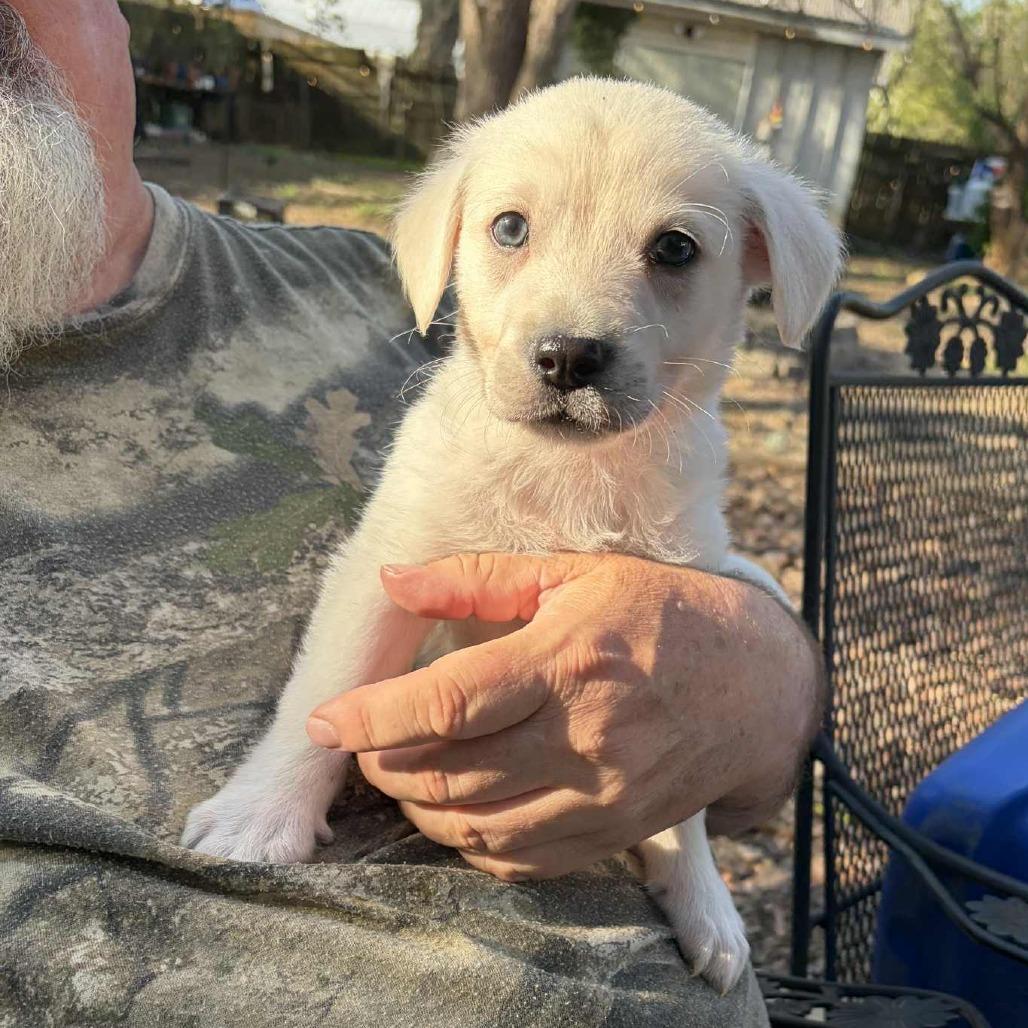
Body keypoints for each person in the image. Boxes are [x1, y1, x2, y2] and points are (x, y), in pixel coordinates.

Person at [0, 2, 821, 1025]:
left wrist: (743, 683)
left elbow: (701, 613)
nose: (568, 331)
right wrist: (288, 780)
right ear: (450, 242)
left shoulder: (340, 283)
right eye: (512, 231)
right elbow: (385, 577)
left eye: (670, 249)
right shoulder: (453, 415)